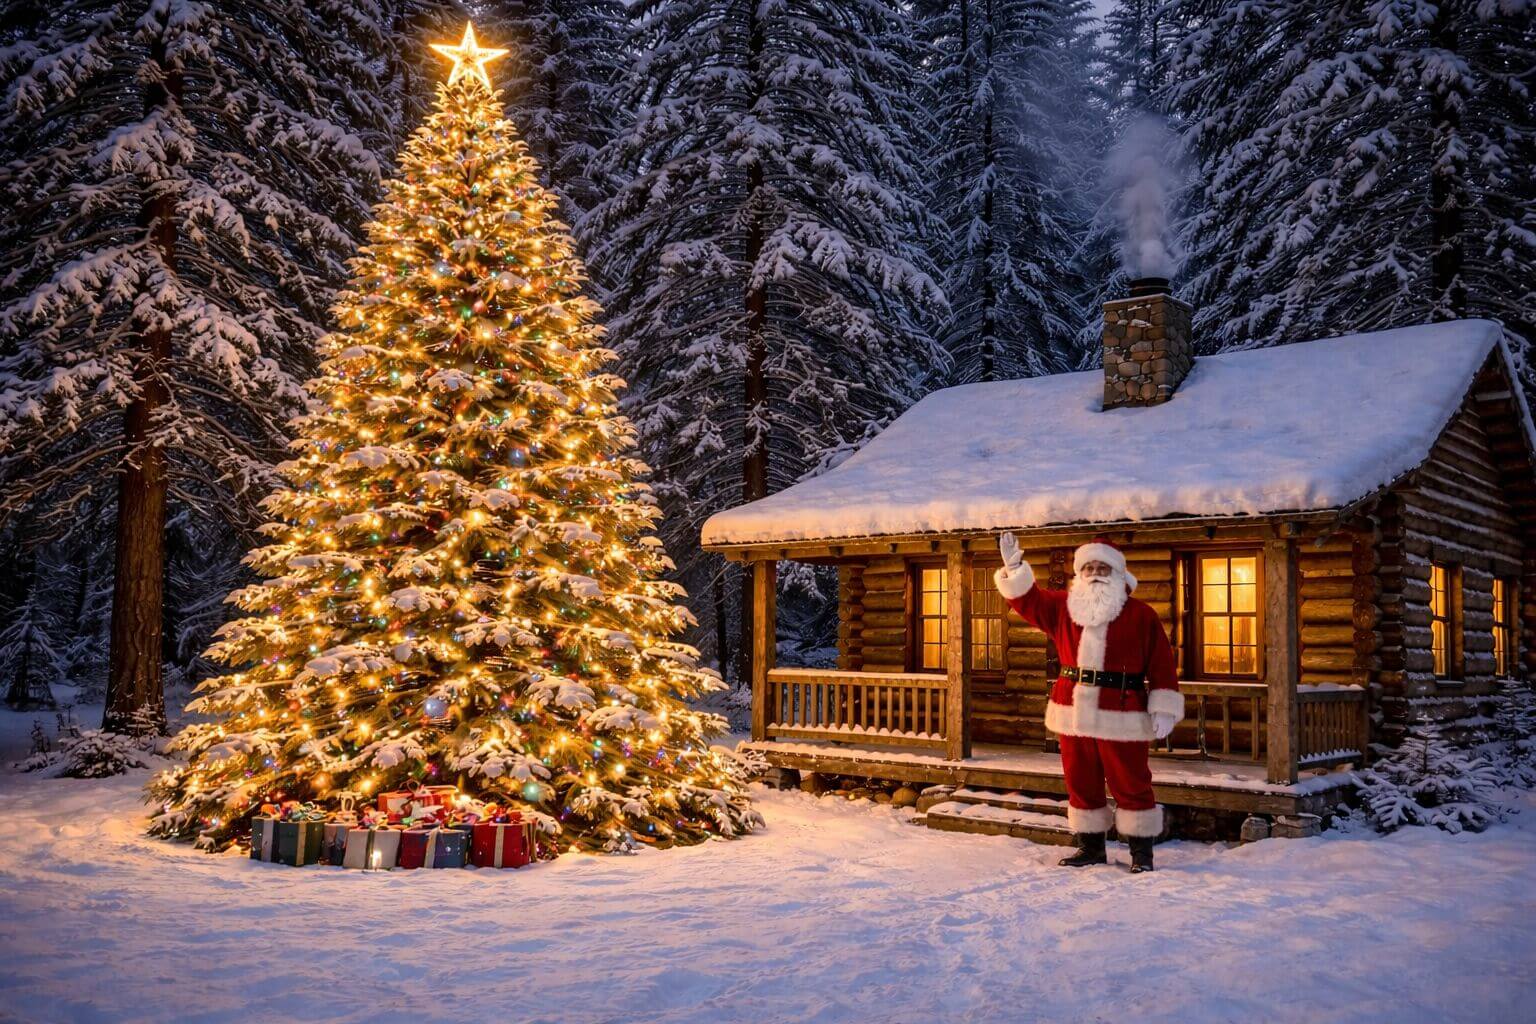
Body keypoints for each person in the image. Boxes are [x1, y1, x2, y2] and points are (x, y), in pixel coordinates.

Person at [993, 533, 1182, 872]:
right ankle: (1091, 849)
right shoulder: (1063, 607)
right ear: (1079, 573)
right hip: (1073, 711)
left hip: (1121, 711)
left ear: (1118, 574)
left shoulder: (1141, 615)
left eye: (1102, 567)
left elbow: (1162, 664)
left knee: (1131, 781)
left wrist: (1164, 706)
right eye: (1088, 567)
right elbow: (1029, 601)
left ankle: (1141, 855)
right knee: (1080, 780)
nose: (1095, 573)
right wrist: (1015, 568)